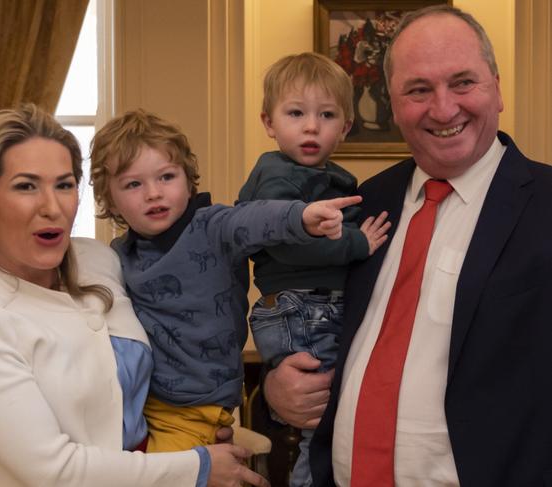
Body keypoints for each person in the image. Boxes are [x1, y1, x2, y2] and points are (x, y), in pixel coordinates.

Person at [0, 104, 270, 487]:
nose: (53, 206)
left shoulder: (100, 259)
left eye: (63, 184)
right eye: (26, 186)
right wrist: (197, 468)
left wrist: (269, 378)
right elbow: (52, 472)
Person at [264, 5, 552, 487]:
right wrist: (277, 386)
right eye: (418, 90)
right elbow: (306, 309)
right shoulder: (358, 203)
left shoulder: (545, 204)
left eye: (463, 82)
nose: (443, 109)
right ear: (392, 104)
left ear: (497, 88)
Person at [88, 109, 361, 454]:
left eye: (167, 177)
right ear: (109, 199)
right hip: (141, 406)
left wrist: (302, 217)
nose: (153, 193)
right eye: (133, 184)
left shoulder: (213, 227)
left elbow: (256, 217)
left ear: (188, 181)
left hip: (195, 410)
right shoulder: (119, 254)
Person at [236, 52, 390, 487]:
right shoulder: (276, 177)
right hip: (299, 309)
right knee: (322, 426)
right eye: (295, 113)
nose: (310, 126)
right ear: (269, 122)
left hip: (313, 307)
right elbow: (289, 244)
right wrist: (357, 242)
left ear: (344, 127)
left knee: (331, 424)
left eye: (326, 115)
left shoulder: (333, 178)